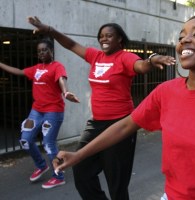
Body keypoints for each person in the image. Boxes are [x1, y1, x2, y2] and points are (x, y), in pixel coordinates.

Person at [50, 15, 195, 200]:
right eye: (182, 35)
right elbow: (125, 125)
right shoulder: (166, 92)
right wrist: (78, 155)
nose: (185, 39)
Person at [28, 16, 176, 200]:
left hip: (121, 124)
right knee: (81, 171)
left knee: (117, 182)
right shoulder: (95, 56)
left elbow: (140, 66)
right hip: (96, 124)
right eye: (101, 36)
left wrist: (151, 60)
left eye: (109, 36)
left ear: (119, 39)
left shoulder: (125, 57)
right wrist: (50, 29)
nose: (104, 39)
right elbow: (71, 44)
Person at [0, 38, 79, 189]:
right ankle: (41, 165)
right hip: (36, 111)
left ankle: (59, 176)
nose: (42, 53)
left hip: (53, 111)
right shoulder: (36, 68)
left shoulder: (57, 66)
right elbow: (19, 71)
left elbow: (61, 79)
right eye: (39, 51)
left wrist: (66, 91)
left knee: (48, 144)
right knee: (25, 139)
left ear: (51, 51)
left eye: (44, 50)